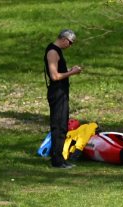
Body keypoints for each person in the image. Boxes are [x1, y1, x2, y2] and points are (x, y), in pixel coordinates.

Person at [44, 29, 82, 169]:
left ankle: (59, 158)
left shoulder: (56, 51)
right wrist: (72, 72)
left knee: (63, 125)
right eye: (70, 43)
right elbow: (55, 76)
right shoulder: (53, 52)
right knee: (58, 126)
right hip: (57, 92)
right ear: (64, 39)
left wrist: (69, 71)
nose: (70, 46)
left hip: (61, 92)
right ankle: (57, 161)